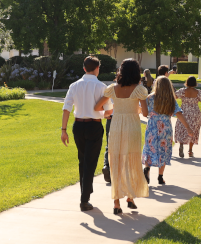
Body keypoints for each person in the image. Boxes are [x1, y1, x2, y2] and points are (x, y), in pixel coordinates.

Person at [95, 58, 149, 215]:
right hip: (132, 127)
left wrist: (110, 113)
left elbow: (98, 106)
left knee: (116, 161)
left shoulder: (113, 88)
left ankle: (116, 203)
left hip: (116, 126)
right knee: (131, 160)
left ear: (121, 71)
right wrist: (137, 108)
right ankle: (130, 197)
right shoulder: (139, 90)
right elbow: (145, 113)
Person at [61, 56, 112, 210]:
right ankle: (84, 199)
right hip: (94, 126)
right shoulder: (102, 87)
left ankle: (86, 192)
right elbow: (108, 111)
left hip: (78, 126)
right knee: (90, 162)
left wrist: (63, 130)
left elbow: (66, 108)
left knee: (83, 160)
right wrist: (105, 114)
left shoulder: (74, 85)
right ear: (97, 68)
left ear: (84, 68)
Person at [142, 76, 192, 185]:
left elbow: (144, 113)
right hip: (165, 128)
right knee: (164, 150)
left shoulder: (150, 97)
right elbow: (179, 113)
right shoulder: (171, 100)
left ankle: (147, 169)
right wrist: (188, 128)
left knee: (150, 149)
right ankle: (160, 177)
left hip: (152, 127)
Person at [175, 76, 201, 158]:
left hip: (184, 113)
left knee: (182, 129)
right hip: (195, 114)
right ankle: (190, 151)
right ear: (195, 83)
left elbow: (174, 97)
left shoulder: (182, 91)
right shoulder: (198, 92)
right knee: (193, 131)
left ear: (187, 82)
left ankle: (181, 145)